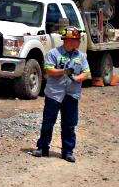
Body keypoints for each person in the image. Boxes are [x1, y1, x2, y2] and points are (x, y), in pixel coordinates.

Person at [33, 26, 90, 162]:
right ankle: (42, 148)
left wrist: (79, 78)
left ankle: (68, 151)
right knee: (48, 122)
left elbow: (86, 71)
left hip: (71, 95)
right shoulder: (54, 53)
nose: (78, 42)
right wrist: (63, 71)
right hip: (54, 93)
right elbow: (48, 70)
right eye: (75, 40)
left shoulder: (80, 56)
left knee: (69, 124)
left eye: (78, 40)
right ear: (67, 40)